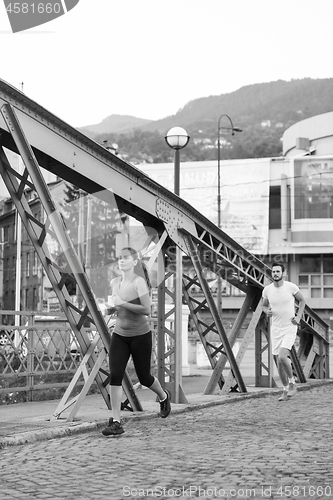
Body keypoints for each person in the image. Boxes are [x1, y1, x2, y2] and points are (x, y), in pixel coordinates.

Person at [102, 247, 171, 436]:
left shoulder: (139, 282)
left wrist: (122, 304)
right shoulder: (114, 282)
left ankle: (163, 396)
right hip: (120, 335)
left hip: (140, 336)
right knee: (115, 375)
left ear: (134, 262)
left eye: (126, 258)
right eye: (119, 258)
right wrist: (112, 310)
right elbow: (120, 307)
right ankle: (116, 421)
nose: (121, 261)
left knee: (144, 378)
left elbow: (146, 309)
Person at [262, 263, 306, 402]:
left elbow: (302, 300)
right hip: (275, 329)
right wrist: (266, 311)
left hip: (289, 327)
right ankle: (285, 390)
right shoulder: (267, 290)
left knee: (282, 356)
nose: (275, 273)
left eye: (278, 271)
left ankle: (293, 383)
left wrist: (298, 317)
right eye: (273, 271)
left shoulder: (291, 287)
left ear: (283, 273)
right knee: (279, 363)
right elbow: (263, 305)